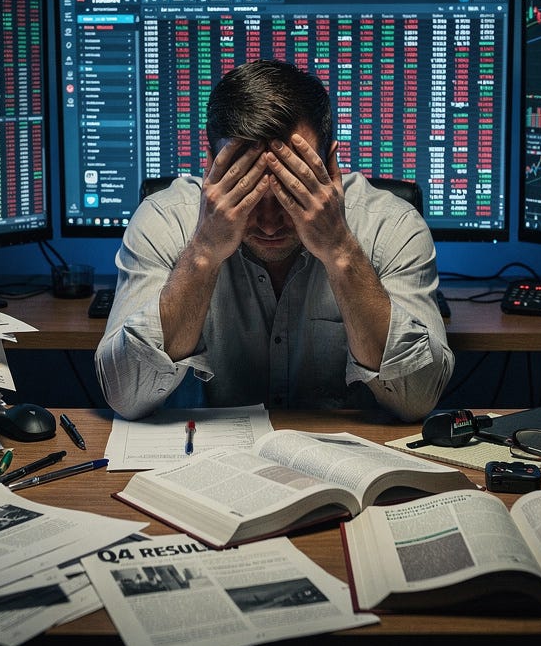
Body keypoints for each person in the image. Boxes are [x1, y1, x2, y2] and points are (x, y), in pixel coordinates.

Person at [95, 59, 453, 422]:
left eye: (291, 192)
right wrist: (203, 252)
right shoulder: (164, 219)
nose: (268, 225)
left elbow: (416, 398)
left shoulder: (392, 225)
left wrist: (341, 251)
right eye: (245, 191)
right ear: (210, 167)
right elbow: (127, 394)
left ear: (330, 165)